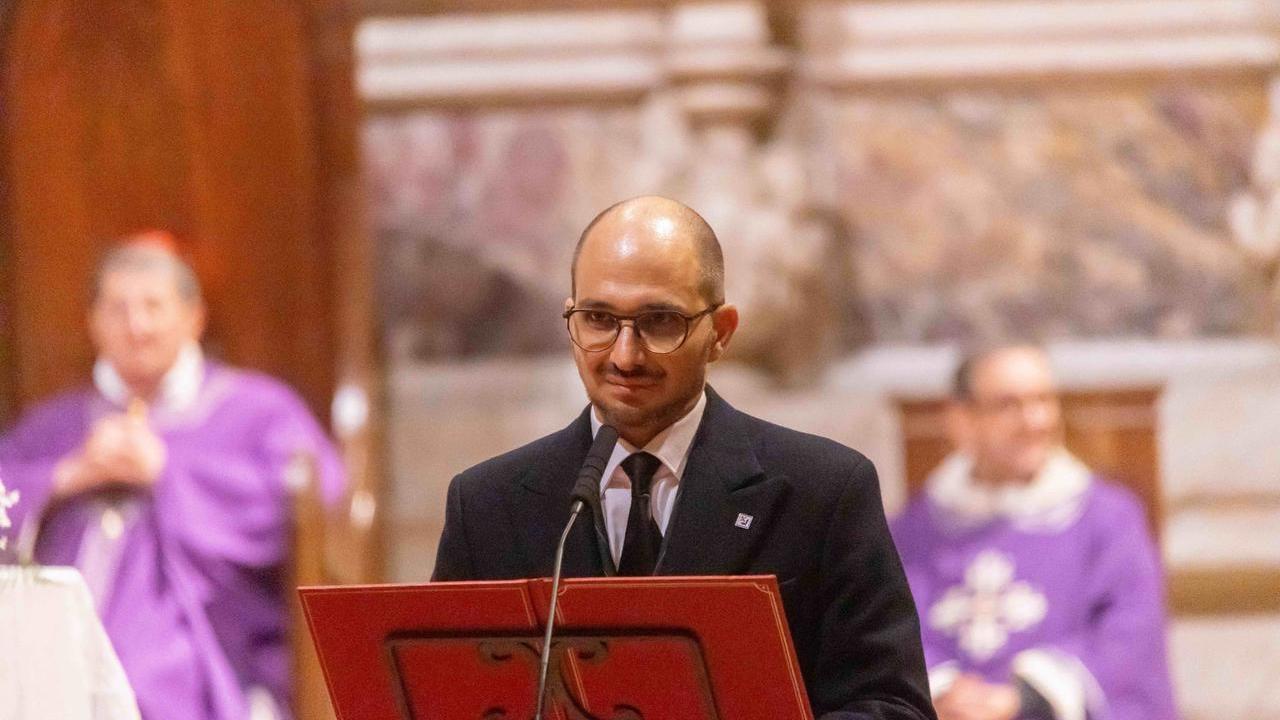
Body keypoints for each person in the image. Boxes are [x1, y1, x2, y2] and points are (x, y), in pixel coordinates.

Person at [432, 196, 936, 719]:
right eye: (599, 318)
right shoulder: (486, 504)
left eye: (660, 322)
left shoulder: (824, 490)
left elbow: (893, 707)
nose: (625, 355)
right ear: (570, 319)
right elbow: (440, 699)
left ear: (720, 333)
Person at [0, 235, 346, 720]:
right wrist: (68, 475)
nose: (136, 326)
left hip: (207, 644)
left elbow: (317, 502)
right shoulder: (57, 425)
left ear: (193, 318)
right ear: (92, 322)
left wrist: (167, 472)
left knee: (141, 681)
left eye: (153, 306)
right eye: (117, 309)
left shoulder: (258, 411)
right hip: (59, 642)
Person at [890, 345, 1178, 720]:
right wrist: (944, 689)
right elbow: (890, 636)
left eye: (1043, 400)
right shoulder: (912, 532)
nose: (1035, 421)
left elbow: (1130, 637)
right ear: (961, 419)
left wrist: (1027, 697)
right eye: (1009, 405)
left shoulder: (1109, 520)